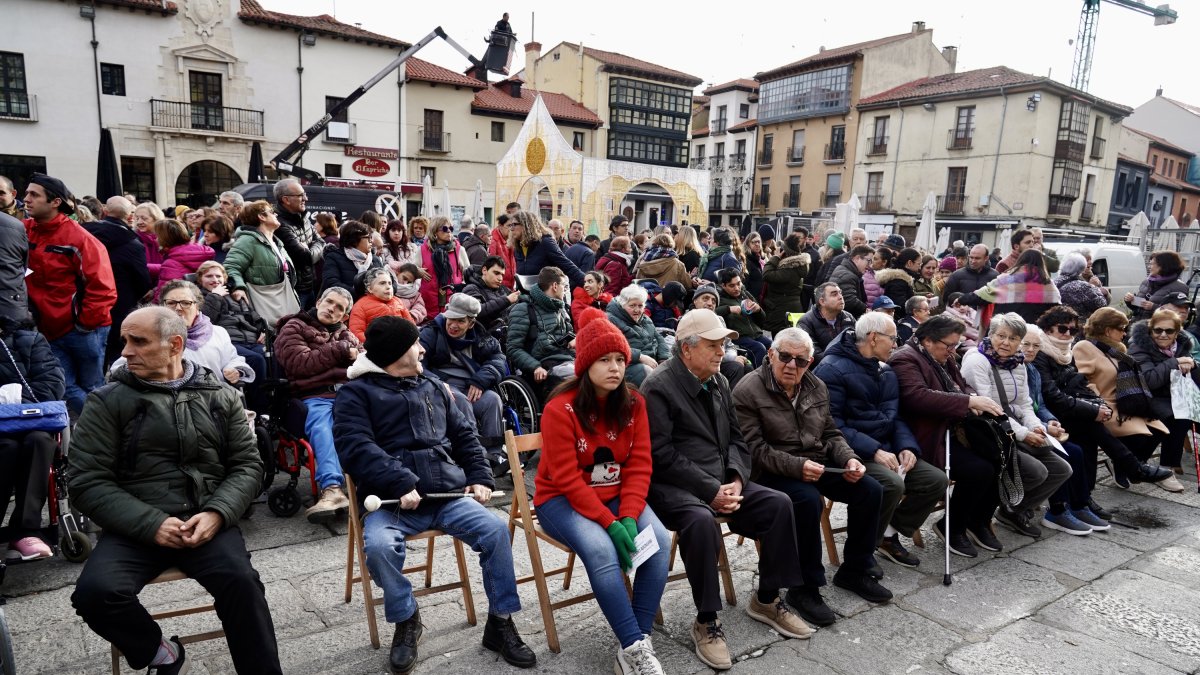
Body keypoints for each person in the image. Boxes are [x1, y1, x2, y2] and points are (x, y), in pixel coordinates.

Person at [69, 306, 282, 675]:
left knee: (243, 585)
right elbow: (87, 481)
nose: (125, 351)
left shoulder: (222, 395)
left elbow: (248, 466)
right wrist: (151, 523)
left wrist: (218, 513)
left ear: (175, 345)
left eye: (139, 341)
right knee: (96, 594)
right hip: (134, 524)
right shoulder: (106, 401)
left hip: (206, 517)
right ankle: (160, 653)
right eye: (124, 341)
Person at [334, 316, 537, 674]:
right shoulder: (355, 393)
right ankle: (407, 618)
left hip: (446, 495)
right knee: (380, 548)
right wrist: (400, 481)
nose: (423, 348)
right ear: (398, 352)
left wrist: (479, 477)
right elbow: (354, 447)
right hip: (391, 502)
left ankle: (500, 623)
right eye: (416, 343)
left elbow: (464, 437)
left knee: (494, 532)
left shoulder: (432, 384)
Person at [642, 310, 810, 671]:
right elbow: (660, 454)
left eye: (724, 344)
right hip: (675, 487)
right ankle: (706, 620)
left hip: (722, 480)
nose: (723, 351)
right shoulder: (658, 386)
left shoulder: (717, 380)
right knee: (701, 521)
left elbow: (737, 438)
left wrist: (736, 478)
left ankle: (767, 599)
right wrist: (709, 488)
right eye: (714, 345)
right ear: (687, 349)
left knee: (779, 503)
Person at [534, 308, 670, 674]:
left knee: (658, 543)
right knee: (601, 550)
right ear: (585, 364)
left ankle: (634, 645)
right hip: (562, 499)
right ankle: (635, 645)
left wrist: (627, 515)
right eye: (605, 360)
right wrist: (611, 525)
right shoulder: (558, 409)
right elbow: (565, 479)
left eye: (620, 360)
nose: (615, 368)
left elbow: (640, 465)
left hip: (617, 494)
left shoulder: (634, 403)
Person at [733, 326, 891, 628]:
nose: (792, 365)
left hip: (814, 462)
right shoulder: (748, 390)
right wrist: (797, 466)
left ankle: (855, 570)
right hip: (770, 472)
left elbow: (830, 432)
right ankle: (805, 588)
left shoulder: (816, 385)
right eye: (785, 357)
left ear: (810, 361)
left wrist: (850, 459)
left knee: (870, 488)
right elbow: (754, 450)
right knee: (807, 500)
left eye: (801, 361)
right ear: (770, 354)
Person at [814, 313, 947, 570]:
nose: (896, 344)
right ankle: (864, 550)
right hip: (848, 453)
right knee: (891, 483)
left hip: (883, 448)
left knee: (936, 480)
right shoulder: (831, 369)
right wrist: (874, 450)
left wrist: (907, 446)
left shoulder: (884, 370)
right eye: (893, 338)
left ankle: (887, 533)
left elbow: (893, 418)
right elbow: (831, 425)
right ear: (874, 338)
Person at [889, 315, 1007, 559]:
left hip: (954, 430)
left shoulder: (943, 358)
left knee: (1000, 458)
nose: (953, 351)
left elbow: (962, 386)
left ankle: (978, 521)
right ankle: (950, 527)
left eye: (955, 345)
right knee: (978, 470)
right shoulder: (905, 358)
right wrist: (967, 401)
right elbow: (917, 396)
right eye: (949, 345)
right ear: (929, 340)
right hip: (927, 436)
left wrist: (972, 399)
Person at [1031, 307, 1172, 511]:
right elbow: (1052, 395)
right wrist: (1094, 407)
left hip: (1094, 404)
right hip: (1054, 412)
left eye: (1072, 330)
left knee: (1162, 420)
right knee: (1089, 428)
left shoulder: (1067, 351)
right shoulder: (1045, 353)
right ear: (1047, 329)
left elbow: (1078, 385)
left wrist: (1094, 405)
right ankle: (1125, 471)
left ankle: (1088, 495)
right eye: (1063, 329)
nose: (1068, 334)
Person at [960, 313, 1072, 538]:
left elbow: (1024, 403)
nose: (1006, 343)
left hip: (1013, 427)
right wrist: (1023, 434)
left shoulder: (1017, 362)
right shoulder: (977, 361)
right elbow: (990, 408)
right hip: (989, 430)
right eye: (1001, 336)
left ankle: (1013, 510)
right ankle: (984, 511)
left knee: (1062, 469)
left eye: (1013, 339)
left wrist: (1035, 426)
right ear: (990, 335)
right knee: (1036, 471)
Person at [23, 173, 118, 417]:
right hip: (48, 327)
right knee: (64, 387)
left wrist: (85, 323)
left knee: (92, 387)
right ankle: (102, 427)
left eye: (34, 194)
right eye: (26, 193)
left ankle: (106, 429)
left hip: (83, 329)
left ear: (55, 202)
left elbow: (103, 287)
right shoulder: (23, 230)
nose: (26, 199)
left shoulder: (80, 238)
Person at [274, 288, 359, 523]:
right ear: (319, 301)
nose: (332, 308)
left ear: (344, 315)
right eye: (329, 302)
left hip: (348, 393)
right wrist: (341, 353)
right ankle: (332, 489)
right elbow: (300, 364)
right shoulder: (294, 327)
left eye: (340, 308)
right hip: (314, 395)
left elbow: (360, 364)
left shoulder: (347, 334)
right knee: (323, 427)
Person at [1072, 307, 1172, 488]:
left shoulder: (1115, 350)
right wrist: (1097, 401)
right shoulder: (1085, 346)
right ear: (1107, 329)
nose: (1124, 333)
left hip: (1125, 402)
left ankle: (1127, 466)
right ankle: (1132, 467)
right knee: (1139, 434)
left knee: (1161, 427)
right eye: (1121, 328)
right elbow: (1081, 380)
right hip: (1105, 405)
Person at [1021, 326, 1106, 534]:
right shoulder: (1016, 368)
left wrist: (1050, 421)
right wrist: (1042, 426)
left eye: (1036, 346)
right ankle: (1058, 510)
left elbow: (1038, 404)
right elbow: (1015, 409)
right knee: (1065, 453)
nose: (1031, 350)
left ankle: (1079, 505)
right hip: (1021, 429)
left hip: (1036, 424)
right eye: (1026, 344)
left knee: (1076, 450)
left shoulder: (1031, 369)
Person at [418, 293, 508, 471]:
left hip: (471, 383)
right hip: (441, 385)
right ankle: (476, 455)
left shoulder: (480, 335)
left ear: (471, 323)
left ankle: (494, 453)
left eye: (460, 321)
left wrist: (481, 380)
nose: (452, 324)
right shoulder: (432, 332)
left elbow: (498, 359)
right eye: (450, 318)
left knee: (492, 400)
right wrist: (437, 383)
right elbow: (418, 363)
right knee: (461, 402)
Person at [0, 317, 64, 560]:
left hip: (32, 423)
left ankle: (26, 531)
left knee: (39, 441)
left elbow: (50, 387)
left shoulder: (29, 340)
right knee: (6, 448)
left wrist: (7, 400)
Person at [111, 280, 255, 388]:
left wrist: (235, 370)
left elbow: (233, 359)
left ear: (198, 306)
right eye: (171, 303)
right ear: (162, 307)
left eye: (186, 303)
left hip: (213, 400)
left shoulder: (218, 332)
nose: (178, 308)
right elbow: (119, 368)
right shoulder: (151, 334)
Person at [1128, 308, 1197, 492]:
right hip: (1141, 396)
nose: (1163, 335)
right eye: (1158, 330)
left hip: (1169, 395)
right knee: (1170, 415)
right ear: (1151, 330)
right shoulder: (1139, 346)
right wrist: (1175, 362)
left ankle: (1167, 467)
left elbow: (1187, 368)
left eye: (1169, 331)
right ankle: (1139, 463)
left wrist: (1192, 364)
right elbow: (1149, 379)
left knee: (1184, 413)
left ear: (1177, 332)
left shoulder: (1181, 346)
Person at [87, 196, 152, 366]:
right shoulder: (132, 243)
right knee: (116, 357)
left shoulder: (84, 234)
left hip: (84, 305)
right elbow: (143, 280)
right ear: (130, 216)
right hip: (120, 305)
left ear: (104, 211)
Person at [506, 266, 576, 397]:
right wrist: (535, 366)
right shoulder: (523, 309)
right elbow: (513, 349)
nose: (565, 290)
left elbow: (569, 334)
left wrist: (574, 340)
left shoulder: (561, 308)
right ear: (555, 286)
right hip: (544, 364)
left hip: (568, 359)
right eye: (564, 286)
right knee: (580, 378)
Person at [964, 249, 1061, 323]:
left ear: (1020, 260)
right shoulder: (1048, 284)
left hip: (1004, 329)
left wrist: (961, 299)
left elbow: (982, 295)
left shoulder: (1006, 279)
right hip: (1034, 335)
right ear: (1041, 263)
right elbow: (1056, 310)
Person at [272, 178, 323, 309]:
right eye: (300, 195)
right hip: (294, 290)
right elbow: (306, 257)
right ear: (286, 200)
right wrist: (311, 251)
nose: (305, 198)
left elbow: (320, 242)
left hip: (310, 286)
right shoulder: (279, 223)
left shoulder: (303, 217)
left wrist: (310, 249)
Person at [606, 284, 669, 386]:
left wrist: (664, 359)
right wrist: (639, 356)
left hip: (652, 362)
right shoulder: (610, 320)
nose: (637, 310)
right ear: (622, 304)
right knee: (650, 375)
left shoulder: (645, 319)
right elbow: (611, 346)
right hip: (628, 365)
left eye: (640, 306)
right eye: (632, 305)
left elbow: (659, 338)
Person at [510, 210, 585, 288]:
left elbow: (567, 265)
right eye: (510, 225)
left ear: (526, 225)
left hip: (545, 296)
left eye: (514, 224)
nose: (511, 229)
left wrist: (586, 283)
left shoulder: (545, 242)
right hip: (524, 295)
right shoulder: (518, 247)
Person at [714, 268, 770, 367]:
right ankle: (759, 378)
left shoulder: (745, 294)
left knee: (774, 346)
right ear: (723, 286)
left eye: (738, 283)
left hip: (756, 334)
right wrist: (728, 309)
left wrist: (758, 310)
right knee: (759, 348)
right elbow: (711, 312)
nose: (737, 288)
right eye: (732, 285)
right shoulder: (719, 298)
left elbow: (763, 320)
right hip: (738, 337)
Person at [420, 215, 471, 320]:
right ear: (434, 232)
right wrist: (416, 270)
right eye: (444, 228)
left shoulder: (459, 249)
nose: (449, 231)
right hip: (429, 300)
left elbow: (468, 274)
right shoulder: (423, 249)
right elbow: (411, 271)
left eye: (451, 228)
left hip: (452, 298)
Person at [152, 218, 215, 301]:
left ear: (165, 238)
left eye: (157, 236)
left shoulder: (171, 263)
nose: (155, 239)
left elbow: (163, 297)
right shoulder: (197, 251)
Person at [348, 267, 414, 343]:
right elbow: (356, 333)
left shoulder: (398, 301)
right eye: (382, 283)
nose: (388, 287)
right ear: (370, 288)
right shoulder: (360, 306)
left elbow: (411, 325)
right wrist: (377, 346)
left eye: (390, 283)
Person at [323, 221, 386, 299]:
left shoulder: (375, 259)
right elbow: (331, 283)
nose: (371, 241)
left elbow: (390, 281)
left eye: (371, 237)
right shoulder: (334, 257)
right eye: (368, 237)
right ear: (354, 240)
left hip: (374, 305)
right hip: (345, 304)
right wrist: (362, 295)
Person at [761, 233, 810, 334]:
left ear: (785, 252)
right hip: (787, 309)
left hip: (782, 312)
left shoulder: (789, 269)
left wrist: (775, 257)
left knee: (781, 341)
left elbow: (766, 274)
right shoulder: (798, 266)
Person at [798, 282, 855, 365]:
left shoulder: (848, 317)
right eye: (834, 294)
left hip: (849, 365)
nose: (840, 297)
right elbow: (813, 354)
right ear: (822, 301)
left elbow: (859, 345)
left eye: (840, 293)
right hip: (822, 369)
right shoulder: (806, 321)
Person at [1125, 250, 1188, 321]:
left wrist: (1154, 307)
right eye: (1149, 264)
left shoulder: (1179, 287)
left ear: (1164, 265)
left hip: (1159, 328)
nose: (1149, 267)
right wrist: (1130, 300)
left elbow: (1180, 314)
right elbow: (1137, 308)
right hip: (1138, 325)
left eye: (1152, 264)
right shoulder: (1147, 282)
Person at [462, 255, 518, 333]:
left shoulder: (503, 289)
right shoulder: (471, 288)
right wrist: (506, 300)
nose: (500, 278)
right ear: (484, 270)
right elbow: (476, 311)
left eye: (502, 275)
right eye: (496, 273)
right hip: (483, 337)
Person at [1055, 252, 1108, 322]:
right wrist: (1096, 289)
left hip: (1055, 325)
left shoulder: (1053, 282)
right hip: (1075, 325)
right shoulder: (1083, 287)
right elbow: (1101, 305)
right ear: (1081, 269)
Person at [876, 248, 921, 321]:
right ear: (909, 263)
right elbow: (900, 306)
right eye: (918, 264)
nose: (920, 267)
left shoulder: (901, 279)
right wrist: (918, 307)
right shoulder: (898, 281)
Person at [829, 245, 872, 318]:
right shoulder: (847, 275)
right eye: (869, 261)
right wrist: (866, 310)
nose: (870, 265)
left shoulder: (847, 270)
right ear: (857, 258)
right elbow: (849, 301)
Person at [488, 214, 517, 290]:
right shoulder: (494, 242)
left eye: (513, 226)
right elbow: (491, 266)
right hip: (500, 286)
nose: (511, 229)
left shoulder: (510, 240)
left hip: (510, 285)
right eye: (509, 226)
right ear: (500, 226)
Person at [133, 202, 165, 267]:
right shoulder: (132, 239)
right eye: (137, 218)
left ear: (156, 219)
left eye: (144, 218)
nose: (139, 222)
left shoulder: (167, 238)